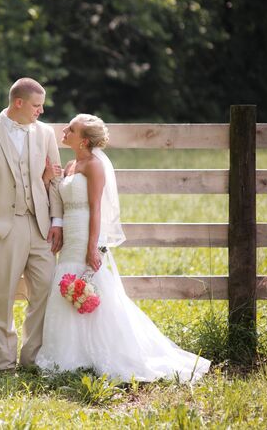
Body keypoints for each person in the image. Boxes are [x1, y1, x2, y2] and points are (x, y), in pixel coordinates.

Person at [34, 114, 211, 382]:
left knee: (94, 287)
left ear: (83, 140)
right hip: (69, 234)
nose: (65, 130)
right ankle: (70, 355)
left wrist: (93, 247)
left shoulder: (94, 166)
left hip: (86, 233)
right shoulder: (70, 164)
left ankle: (107, 353)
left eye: (71, 128)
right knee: (66, 284)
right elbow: (59, 197)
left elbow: (96, 209)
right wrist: (50, 183)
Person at [0, 78, 64, 371]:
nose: (41, 111)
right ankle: (4, 363)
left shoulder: (44, 133)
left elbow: (54, 180)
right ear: (18, 103)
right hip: (3, 226)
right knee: (1, 296)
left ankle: (33, 358)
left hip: (41, 225)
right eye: (36, 105)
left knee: (46, 291)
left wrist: (57, 221)